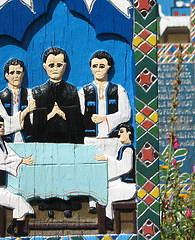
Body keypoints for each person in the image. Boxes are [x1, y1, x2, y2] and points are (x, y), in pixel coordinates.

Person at [78, 51, 131, 213]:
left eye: (102, 66)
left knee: (111, 169)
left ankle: (108, 203)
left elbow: (126, 114)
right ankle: (93, 202)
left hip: (112, 139)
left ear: (108, 67)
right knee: (93, 169)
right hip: (91, 138)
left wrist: (105, 119)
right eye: (95, 66)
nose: (98, 70)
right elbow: (79, 115)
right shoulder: (84, 91)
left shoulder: (118, 90)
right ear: (90, 68)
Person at [0, 113, 34, 236]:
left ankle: (14, 228)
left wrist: (22, 159)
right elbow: (2, 161)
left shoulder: (1, 142)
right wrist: (21, 161)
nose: (2, 128)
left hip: (1, 186)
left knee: (21, 199)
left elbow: (11, 155)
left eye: (3, 125)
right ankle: (17, 230)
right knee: (19, 201)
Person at [31, 47, 83, 144]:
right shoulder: (38, 93)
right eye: (51, 65)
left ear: (65, 66)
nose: (55, 69)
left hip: (68, 143)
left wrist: (63, 114)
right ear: (44, 66)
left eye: (59, 65)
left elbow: (78, 123)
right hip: (44, 143)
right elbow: (35, 127)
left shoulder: (72, 91)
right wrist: (50, 115)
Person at [95, 123, 136, 230]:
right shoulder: (123, 148)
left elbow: (125, 167)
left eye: (121, 132)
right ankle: (104, 217)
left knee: (108, 194)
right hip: (123, 183)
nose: (119, 134)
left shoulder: (128, 150)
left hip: (130, 185)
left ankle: (108, 221)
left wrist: (107, 158)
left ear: (129, 133)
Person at [0, 59, 35, 142]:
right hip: (7, 144)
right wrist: (26, 111)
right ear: (6, 75)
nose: (15, 76)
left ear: (23, 74)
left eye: (18, 72)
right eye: (12, 73)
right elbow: (3, 126)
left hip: (27, 143)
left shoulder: (30, 95)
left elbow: (34, 123)